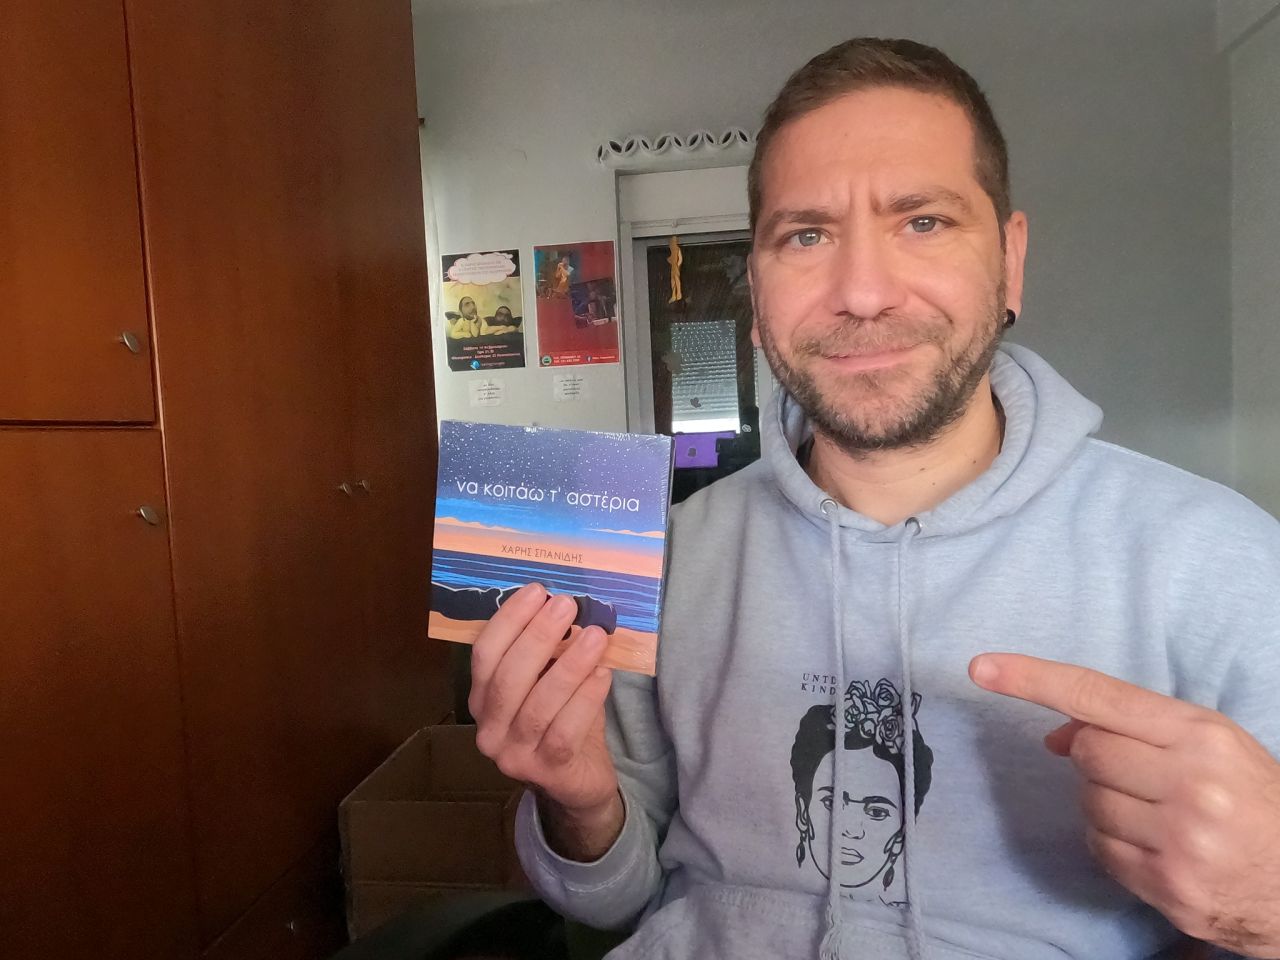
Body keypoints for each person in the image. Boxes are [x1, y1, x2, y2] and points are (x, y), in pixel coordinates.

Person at [467, 38, 1280, 960]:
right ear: (757, 287)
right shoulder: (665, 558)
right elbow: (615, 900)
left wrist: (1268, 896)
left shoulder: (1220, 561)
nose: (861, 293)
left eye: (923, 222)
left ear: (1009, 262)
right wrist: (576, 802)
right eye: (806, 236)